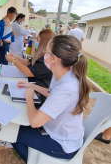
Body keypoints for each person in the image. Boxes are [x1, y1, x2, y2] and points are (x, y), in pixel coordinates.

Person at [12, 35, 91, 163]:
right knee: (16, 127)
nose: (44, 55)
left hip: (62, 144)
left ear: (54, 58)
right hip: (54, 130)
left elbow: (35, 122)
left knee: (11, 132)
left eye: (46, 52)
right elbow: (51, 93)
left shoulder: (67, 87)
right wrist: (31, 86)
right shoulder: (63, 74)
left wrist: (29, 98)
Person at [6, 29, 54, 102]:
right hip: (32, 86)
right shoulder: (41, 54)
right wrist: (15, 57)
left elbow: (30, 72)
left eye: (38, 40)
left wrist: (14, 61)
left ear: (43, 42)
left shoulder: (47, 59)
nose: (36, 42)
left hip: (40, 94)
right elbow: (28, 63)